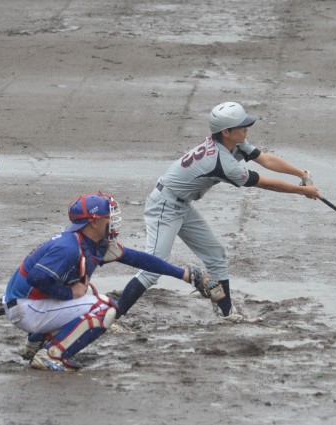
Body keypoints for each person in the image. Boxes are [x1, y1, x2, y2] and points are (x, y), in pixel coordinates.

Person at [117, 101, 321, 323]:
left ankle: (226, 312)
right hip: (164, 207)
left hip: (182, 205)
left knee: (215, 255)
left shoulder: (234, 143)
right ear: (226, 132)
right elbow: (264, 183)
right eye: (242, 126)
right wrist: (303, 192)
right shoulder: (222, 162)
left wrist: (301, 174)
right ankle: (112, 318)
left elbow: (265, 159)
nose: (246, 129)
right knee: (153, 268)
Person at [2, 192, 211, 372]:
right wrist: (70, 294)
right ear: (93, 221)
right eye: (107, 216)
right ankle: (51, 354)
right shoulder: (69, 247)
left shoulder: (92, 243)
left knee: (88, 292)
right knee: (105, 308)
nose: (112, 219)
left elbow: (139, 259)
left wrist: (182, 273)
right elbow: (36, 278)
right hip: (23, 308)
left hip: (28, 304)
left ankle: (35, 343)